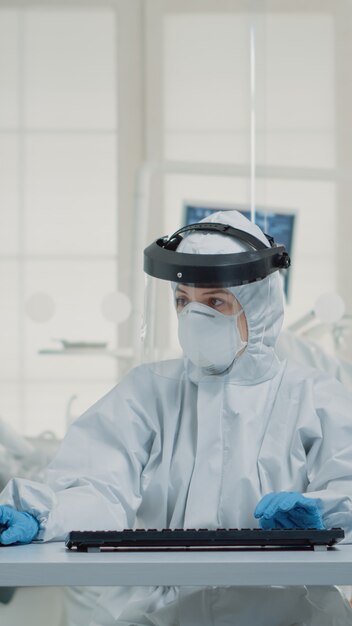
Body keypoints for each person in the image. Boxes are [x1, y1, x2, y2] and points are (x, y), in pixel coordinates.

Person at [1, 210, 352, 626]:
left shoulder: (314, 395)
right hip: (165, 615)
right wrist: (42, 513)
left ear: (258, 309)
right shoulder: (148, 390)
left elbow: (345, 482)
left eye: (215, 302)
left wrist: (320, 515)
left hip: (288, 614)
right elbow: (99, 487)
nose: (194, 317)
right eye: (183, 301)